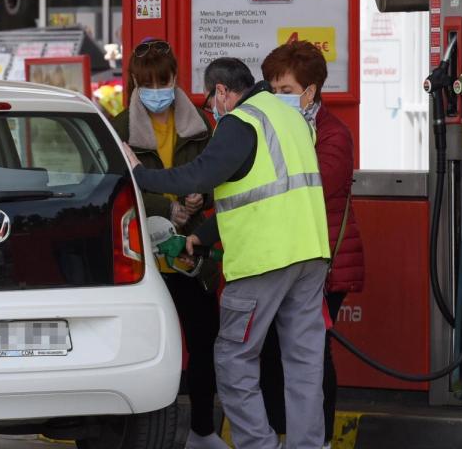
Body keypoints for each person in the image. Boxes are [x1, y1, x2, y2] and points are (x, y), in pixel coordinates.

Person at [123, 57, 331, 449]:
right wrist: (200, 236)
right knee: (304, 364)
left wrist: (139, 173)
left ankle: (258, 445)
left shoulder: (242, 121)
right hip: (310, 255)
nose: (211, 109)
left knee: (235, 361)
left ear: (221, 92)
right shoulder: (291, 118)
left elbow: (200, 175)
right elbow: (261, 189)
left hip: (263, 260)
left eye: (209, 100)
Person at [111, 38, 227, 449]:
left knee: (203, 341)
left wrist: (201, 196)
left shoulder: (201, 122)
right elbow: (120, 186)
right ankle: (132, 431)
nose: (156, 90)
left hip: (191, 254)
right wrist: (167, 206)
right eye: (147, 83)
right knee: (143, 348)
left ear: (176, 78)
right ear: (135, 83)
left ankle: (202, 430)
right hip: (143, 258)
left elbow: (222, 175)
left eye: (163, 80)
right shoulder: (121, 126)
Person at [259, 41, 365, 449]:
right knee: (272, 351)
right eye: (272, 88)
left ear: (310, 90)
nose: (277, 97)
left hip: (326, 262)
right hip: (284, 256)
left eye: (286, 90)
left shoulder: (333, 133)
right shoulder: (272, 126)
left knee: (313, 354)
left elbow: (313, 188)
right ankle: (281, 435)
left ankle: (316, 438)